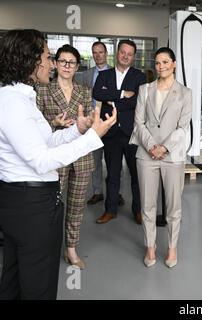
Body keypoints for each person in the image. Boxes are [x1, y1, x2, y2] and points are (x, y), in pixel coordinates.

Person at [0, 29, 116, 299]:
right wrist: (93, 137)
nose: (52, 63)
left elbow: (47, 140)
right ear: (30, 60)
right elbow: (41, 160)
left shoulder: (20, 97)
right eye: (48, 56)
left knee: (16, 278)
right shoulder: (13, 102)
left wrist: (79, 129)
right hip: (29, 206)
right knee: (38, 284)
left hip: (31, 203)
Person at [130, 47, 192, 268]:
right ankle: (150, 247)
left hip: (172, 156)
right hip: (146, 155)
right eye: (157, 63)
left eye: (165, 62)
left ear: (174, 64)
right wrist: (150, 146)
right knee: (148, 205)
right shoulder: (145, 89)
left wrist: (164, 147)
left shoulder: (185, 93)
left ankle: (172, 247)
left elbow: (183, 127)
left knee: (174, 207)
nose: (161, 66)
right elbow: (139, 123)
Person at [36, 44, 93, 270]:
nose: (67, 66)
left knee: (76, 206)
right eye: (62, 61)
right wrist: (55, 124)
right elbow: (35, 127)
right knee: (53, 205)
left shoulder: (84, 92)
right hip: (55, 157)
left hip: (80, 157)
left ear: (77, 66)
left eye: (71, 62)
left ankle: (71, 249)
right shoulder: (42, 90)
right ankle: (47, 248)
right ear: (55, 63)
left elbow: (88, 123)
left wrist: (86, 124)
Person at [93, 39, 146, 225]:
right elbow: (98, 93)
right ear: (117, 53)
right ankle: (110, 210)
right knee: (112, 174)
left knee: (136, 175)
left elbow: (138, 101)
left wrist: (112, 100)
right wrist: (122, 94)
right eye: (123, 52)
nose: (125, 56)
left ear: (133, 57)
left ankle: (138, 211)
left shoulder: (139, 77)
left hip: (132, 133)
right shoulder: (104, 75)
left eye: (129, 54)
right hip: (111, 132)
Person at [80, 42, 126, 207]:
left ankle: (116, 192)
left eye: (101, 52)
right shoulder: (86, 75)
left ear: (106, 53)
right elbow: (84, 98)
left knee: (114, 160)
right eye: (95, 52)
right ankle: (97, 191)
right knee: (95, 159)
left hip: (110, 122)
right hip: (93, 122)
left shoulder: (115, 73)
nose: (98, 55)